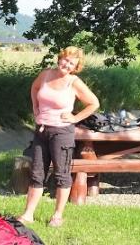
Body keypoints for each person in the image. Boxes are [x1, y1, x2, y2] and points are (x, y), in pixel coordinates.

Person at [18, 46, 99, 228]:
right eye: (65, 60)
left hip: (62, 133)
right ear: (59, 58)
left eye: (72, 63)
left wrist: (75, 118)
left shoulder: (74, 82)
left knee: (62, 175)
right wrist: (35, 108)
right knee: (37, 173)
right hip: (41, 131)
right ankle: (28, 214)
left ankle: (57, 216)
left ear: (75, 67)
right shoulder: (45, 74)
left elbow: (94, 103)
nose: (67, 65)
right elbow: (34, 88)